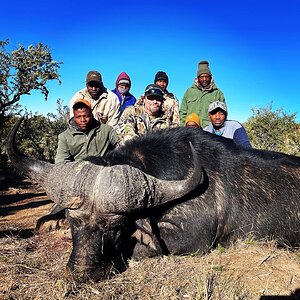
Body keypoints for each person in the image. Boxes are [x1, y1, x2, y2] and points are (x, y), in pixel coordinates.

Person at [55, 99, 119, 163]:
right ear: (74, 117)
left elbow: (120, 144)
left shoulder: (107, 130)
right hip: (78, 170)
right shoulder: (65, 136)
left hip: (103, 169)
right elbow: (61, 162)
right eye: (78, 117)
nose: (83, 120)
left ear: (92, 115)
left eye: (86, 116)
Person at [180, 60, 225, 128]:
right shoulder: (189, 92)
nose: (204, 79)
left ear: (210, 77)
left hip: (210, 131)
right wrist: (183, 128)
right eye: (202, 77)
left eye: (207, 76)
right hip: (191, 131)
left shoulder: (217, 92)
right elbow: (183, 112)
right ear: (198, 78)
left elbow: (223, 114)